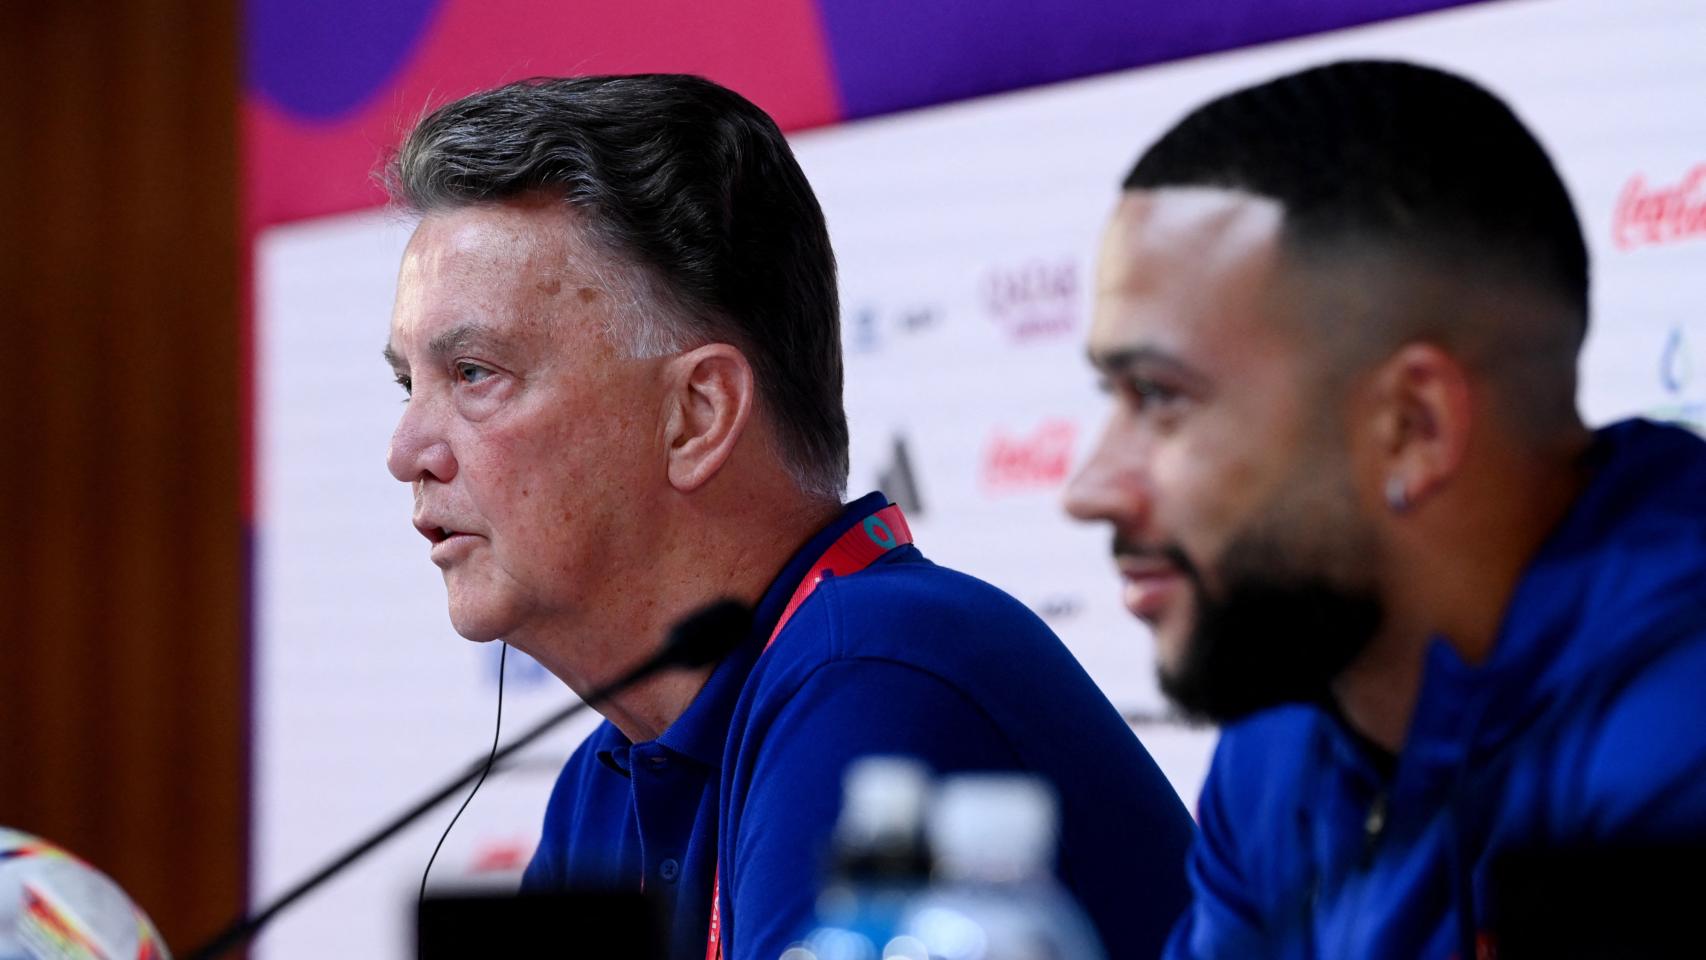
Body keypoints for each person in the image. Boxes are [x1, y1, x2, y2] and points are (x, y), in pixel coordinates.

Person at [382, 74, 1194, 960]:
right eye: (406, 383)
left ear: (696, 416)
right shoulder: (602, 785)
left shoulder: (876, 677)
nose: (406, 450)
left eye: (474, 374)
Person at [1064, 60, 1706, 958]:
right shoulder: (1284, 724)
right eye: (1113, 397)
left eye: (1161, 397)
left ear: (1413, 427)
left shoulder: (1676, 725)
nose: (1089, 488)